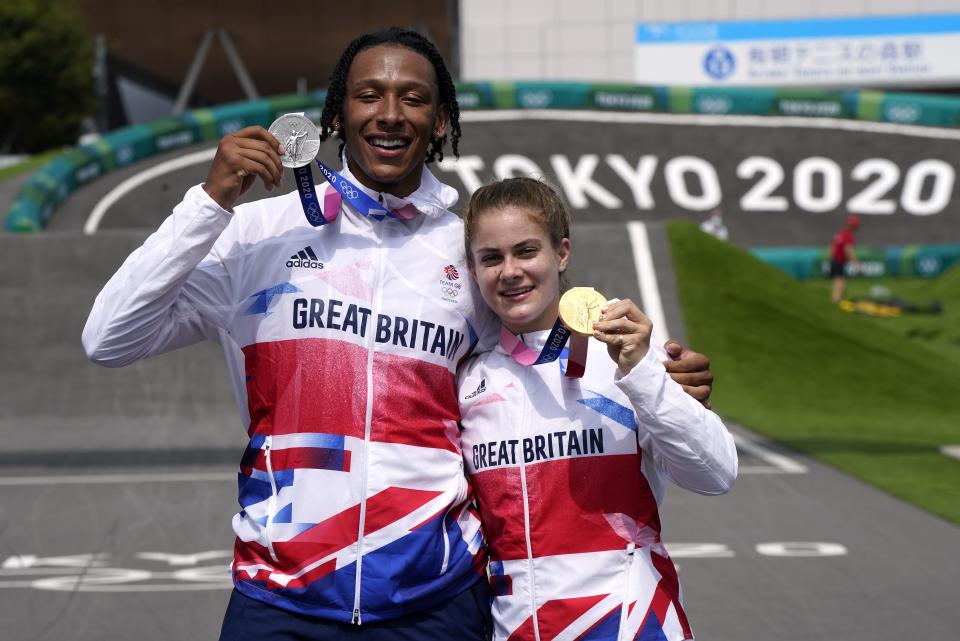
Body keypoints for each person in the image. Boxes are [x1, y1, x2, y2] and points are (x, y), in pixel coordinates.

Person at [82, 28, 716, 640]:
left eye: (413, 98)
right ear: (337, 114)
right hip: (280, 596)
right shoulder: (257, 233)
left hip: (434, 601)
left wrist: (657, 374)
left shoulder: (465, 251)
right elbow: (109, 338)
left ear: (440, 122)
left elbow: (544, 324)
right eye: (368, 96)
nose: (390, 114)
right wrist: (209, 202)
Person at [459, 177, 737, 641]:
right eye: (491, 257)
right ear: (473, 268)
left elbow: (716, 474)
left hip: (631, 625)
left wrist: (644, 375)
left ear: (561, 254)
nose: (510, 271)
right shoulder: (467, 379)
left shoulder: (628, 358)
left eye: (527, 251)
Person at [829, 215, 860, 303]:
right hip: (839, 261)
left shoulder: (840, 233)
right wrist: (857, 265)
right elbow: (849, 250)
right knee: (840, 282)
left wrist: (831, 259)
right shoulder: (848, 235)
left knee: (838, 282)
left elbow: (832, 248)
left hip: (835, 261)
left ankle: (839, 300)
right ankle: (836, 301)